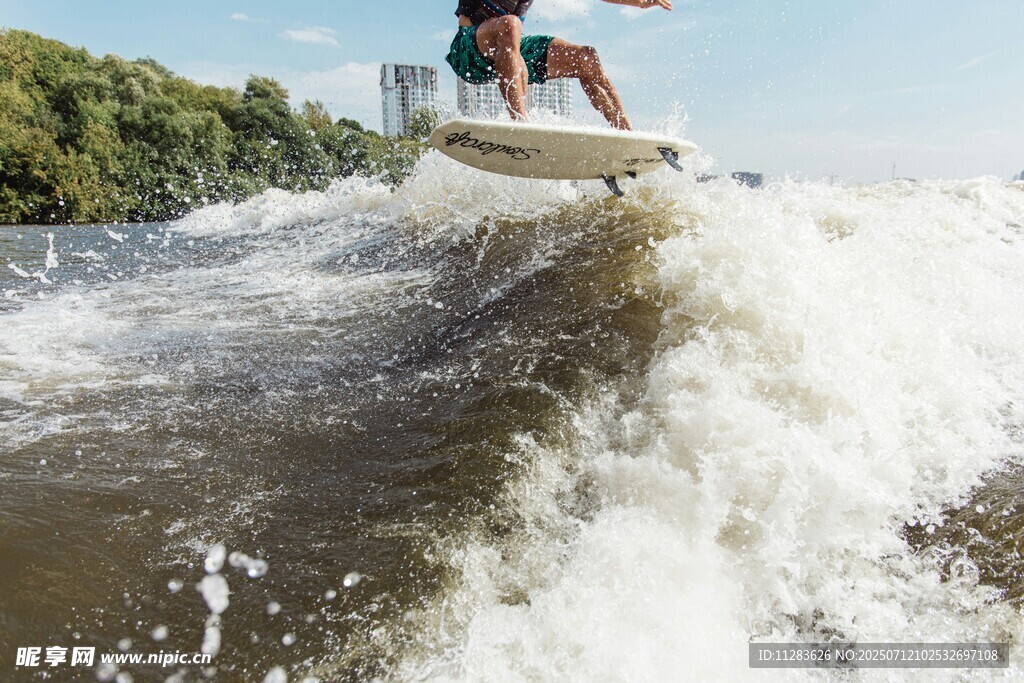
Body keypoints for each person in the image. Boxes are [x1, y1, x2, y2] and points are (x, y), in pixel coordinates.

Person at [446, 0, 673, 131]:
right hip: (468, 51)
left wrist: (640, 2)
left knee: (586, 57)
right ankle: (521, 126)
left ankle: (626, 133)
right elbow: (474, 25)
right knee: (511, 24)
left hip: (511, 48)